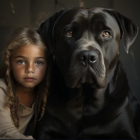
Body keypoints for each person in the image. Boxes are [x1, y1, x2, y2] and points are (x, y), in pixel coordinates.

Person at [0, 27, 50, 139]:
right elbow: (6, 133)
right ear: (10, 63)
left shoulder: (44, 93)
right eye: (21, 61)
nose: (30, 69)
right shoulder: (1, 90)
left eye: (39, 62)